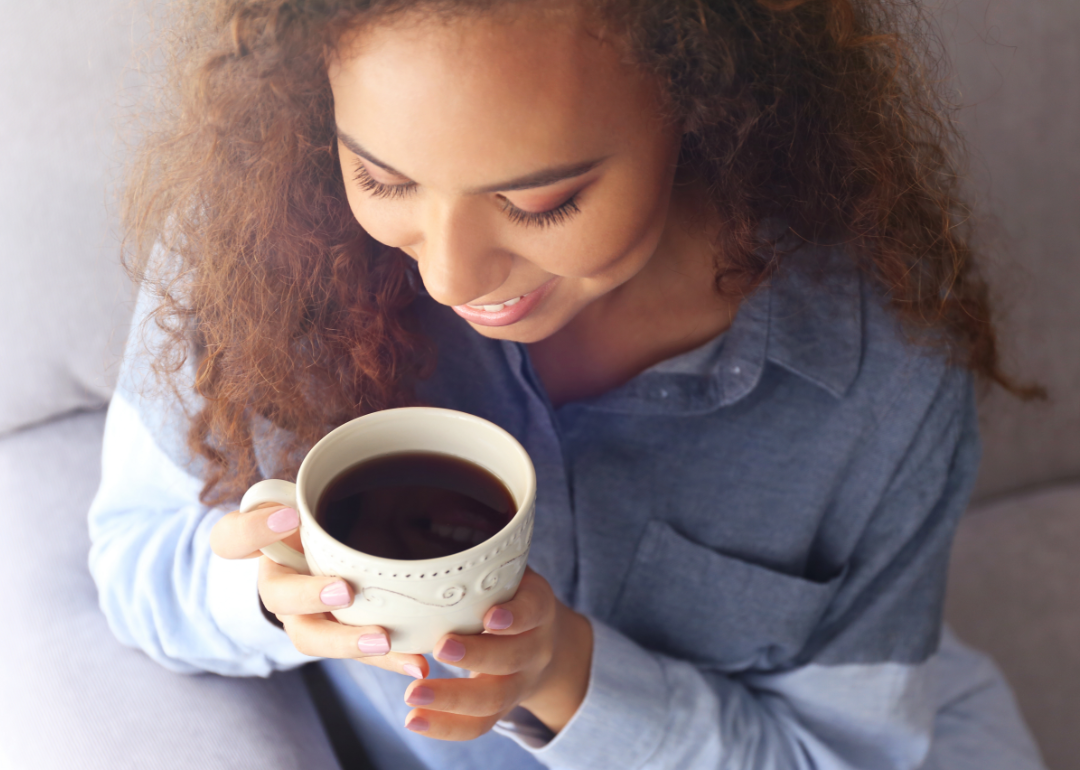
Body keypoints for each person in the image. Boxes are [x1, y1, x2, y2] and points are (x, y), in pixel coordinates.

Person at [88, 0, 1049, 768]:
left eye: (541, 201)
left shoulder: (884, 377)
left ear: (706, 104)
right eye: (382, 181)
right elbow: (135, 563)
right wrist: (262, 595)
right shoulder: (259, 247)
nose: (449, 279)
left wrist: (567, 673)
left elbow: (842, 753)